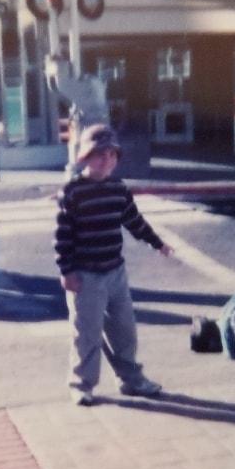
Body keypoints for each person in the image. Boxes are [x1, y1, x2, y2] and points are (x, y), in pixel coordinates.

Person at [55, 123, 174, 406]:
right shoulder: (72, 191)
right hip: (85, 276)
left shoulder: (118, 189)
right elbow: (62, 236)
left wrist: (157, 243)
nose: (106, 160)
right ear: (85, 156)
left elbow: (134, 221)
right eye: (99, 155)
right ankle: (81, 384)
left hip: (115, 273)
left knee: (125, 330)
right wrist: (66, 271)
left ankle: (131, 379)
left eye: (111, 155)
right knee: (87, 335)